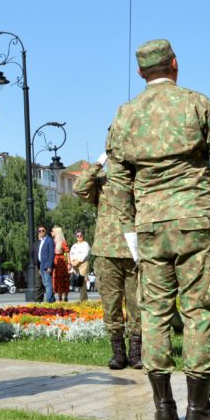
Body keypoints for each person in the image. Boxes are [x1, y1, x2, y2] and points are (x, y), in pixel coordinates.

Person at [106, 39, 210, 420]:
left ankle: (163, 410)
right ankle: (200, 412)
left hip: (150, 228)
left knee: (153, 313)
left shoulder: (125, 115)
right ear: (175, 64)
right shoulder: (196, 103)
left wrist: (130, 229)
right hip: (194, 224)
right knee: (199, 310)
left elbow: (116, 180)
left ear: (140, 73)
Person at [74, 154, 141, 370]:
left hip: (134, 251)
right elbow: (79, 187)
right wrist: (99, 162)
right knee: (111, 304)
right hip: (106, 251)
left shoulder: (137, 176)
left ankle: (136, 351)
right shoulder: (101, 181)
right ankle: (118, 352)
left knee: (137, 303)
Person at [69, 229, 91, 303]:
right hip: (75, 264)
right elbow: (71, 254)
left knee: (83, 282)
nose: (79, 237)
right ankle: (84, 299)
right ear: (76, 237)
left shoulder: (85, 244)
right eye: (77, 236)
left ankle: (83, 300)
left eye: (80, 235)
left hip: (83, 264)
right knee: (79, 283)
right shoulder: (74, 246)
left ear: (83, 236)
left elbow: (85, 254)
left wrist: (77, 262)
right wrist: (72, 262)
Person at [36, 226, 56, 303]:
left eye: (42, 231)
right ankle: (52, 299)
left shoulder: (49, 240)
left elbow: (51, 254)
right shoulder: (42, 241)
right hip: (42, 265)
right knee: (45, 284)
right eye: (39, 231)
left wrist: (49, 266)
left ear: (46, 231)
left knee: (48, 284)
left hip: (47, 266)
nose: (41, 232)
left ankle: (49, 300)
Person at [51, 226, 70, 303]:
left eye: (52, 231)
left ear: (57, 232)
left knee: (63, 279)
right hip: (55, 262)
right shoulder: (52, 241)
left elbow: (67, 252)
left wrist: (69, 263)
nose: (51, 232)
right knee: (57, 280)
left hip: (62, 262)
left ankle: (65, 297)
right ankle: (59, 298)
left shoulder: (62, 242)